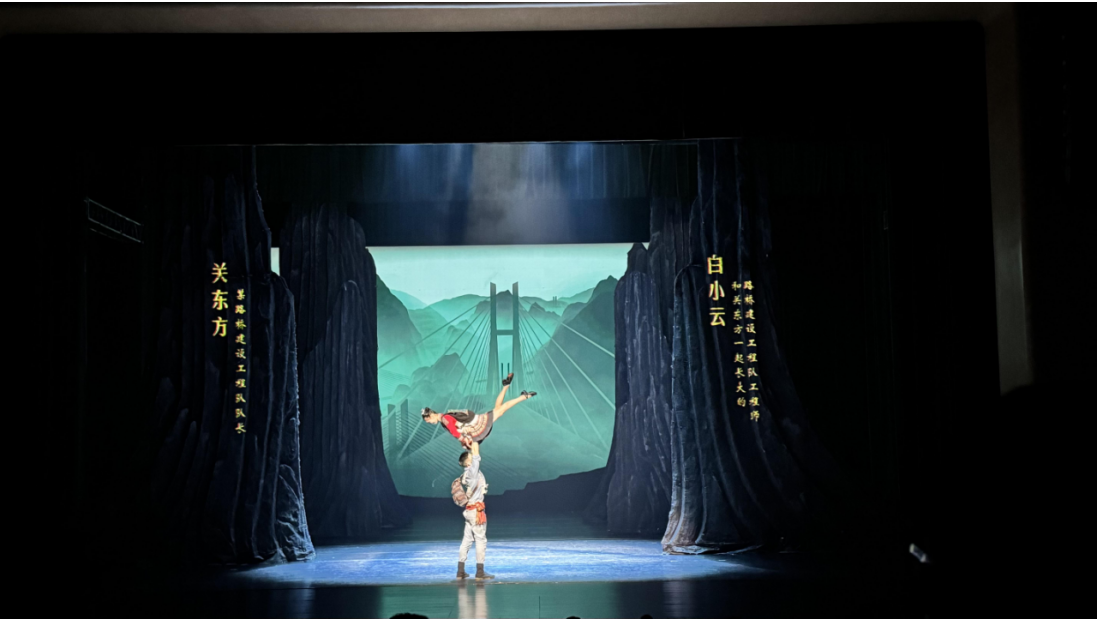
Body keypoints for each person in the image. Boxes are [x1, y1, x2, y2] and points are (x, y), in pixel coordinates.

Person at [422, 372, 536, 449]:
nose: (430, 423)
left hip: (475, 424)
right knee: (498, 409)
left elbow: (454, 431)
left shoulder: (444, 419)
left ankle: (523, 396)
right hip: (473, 422)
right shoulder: (445, 417)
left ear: (430, 416)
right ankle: (506, 386)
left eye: (428, 421)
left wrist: (464, 441)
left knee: (501, 410)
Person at [456, 440, 493, 580]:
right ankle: (480, 572)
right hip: (476, 512)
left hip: (469, 511)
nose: (473, 456)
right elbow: (476, 452)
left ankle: (460, 571)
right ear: (468, 463)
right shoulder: (472, 471)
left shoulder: (467, 474)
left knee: (467, 540)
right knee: (480, 540)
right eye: (471, 457)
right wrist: (475, 438)